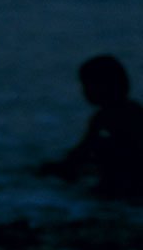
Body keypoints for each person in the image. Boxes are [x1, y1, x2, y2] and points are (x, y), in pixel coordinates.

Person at [42, 55, 143, 199]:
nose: (84, 91)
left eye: (88, 84)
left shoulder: (110, 118)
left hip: (122, 190)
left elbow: (84, 152)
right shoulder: (123, 114)